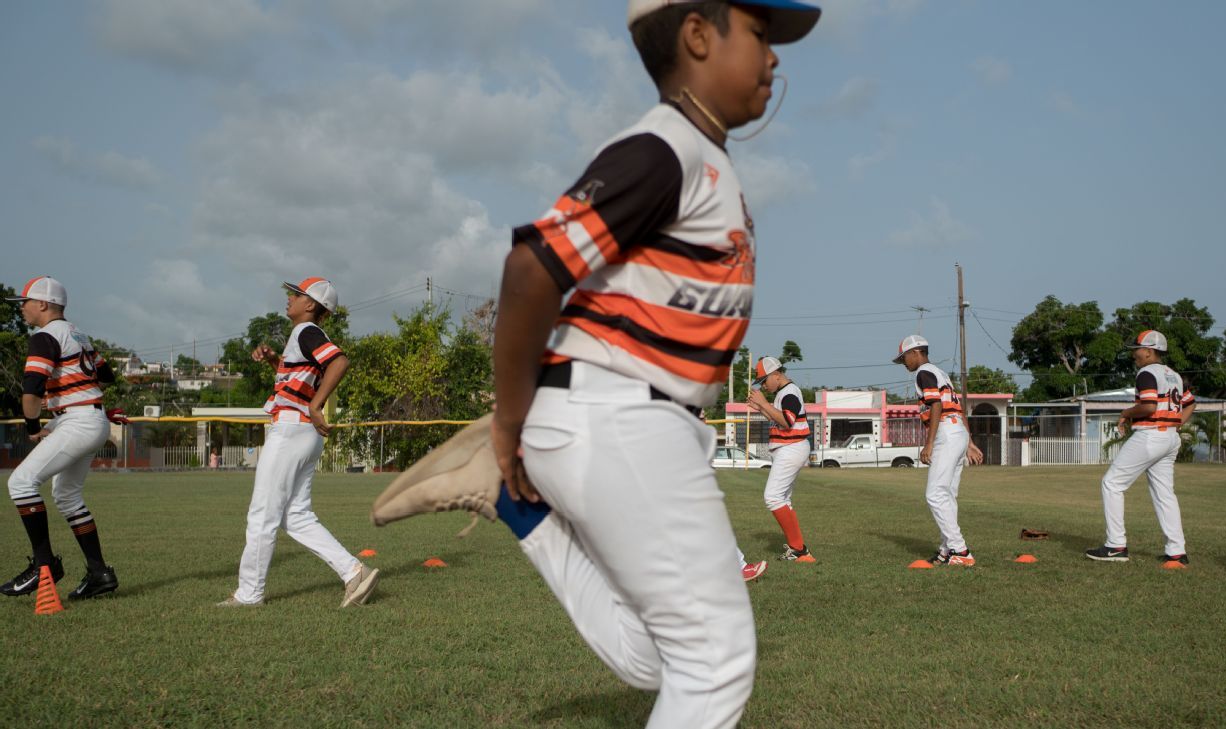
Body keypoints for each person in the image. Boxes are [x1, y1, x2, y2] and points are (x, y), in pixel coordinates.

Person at [414, 3, 820, 726]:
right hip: (618, 414)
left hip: (630, 417)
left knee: (658, 657)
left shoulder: (700, 156)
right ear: (698, 35)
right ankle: (509, 480)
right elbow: (529, 268)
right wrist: (508, 421)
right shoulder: (665, 148)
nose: (774, 56)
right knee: (716, 658)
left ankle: (518, 508)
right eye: (759, 33)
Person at [219, 277, 378, 607]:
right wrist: (273, 360)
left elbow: (339, 362)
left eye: (297, 294)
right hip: (302, 433)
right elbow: (304, 376)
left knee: (262, 514)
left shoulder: (307, 331)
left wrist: (316, 404)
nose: (289, 298)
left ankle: (249, 594)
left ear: (310, 305)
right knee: (296, 515)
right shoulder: (304, 336)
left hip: (292, 430)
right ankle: (354, 573)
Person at [3, 276, 126, 600]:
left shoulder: (44, 336)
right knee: (67, 495)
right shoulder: (78, 334)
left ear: (43, 304)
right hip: (87, 417)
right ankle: (99, 572)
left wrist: (32, 428)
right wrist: (85, 401)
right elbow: (106, 375)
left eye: (26, 302)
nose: (23, 309)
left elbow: (31, 391)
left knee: (20, 483)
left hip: (77, 421)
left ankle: (44, 566)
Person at [1086, 330, 1195, 566]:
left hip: (1150, 435)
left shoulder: (1146, 373)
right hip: (1169, 438)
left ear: (1149, 350)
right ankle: (1177, 551)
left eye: (1137, 349)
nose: (1134, 354)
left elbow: (1148, 407)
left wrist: (1125, 413)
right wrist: (1174, 424)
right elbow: (1190, 403)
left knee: (1112, 483)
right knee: (1164, 494)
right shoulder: (1174, 375)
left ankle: (1115, 546)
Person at [894, 335, 984, 567]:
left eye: (904, 357)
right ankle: (947, 550)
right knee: (947, 494)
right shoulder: (940, 373)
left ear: (916, 353)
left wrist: (930, 443)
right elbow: (958, 409)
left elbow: (936, 405)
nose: (903, 362)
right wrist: (969, 442)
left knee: (935, 494)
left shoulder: (923, 372)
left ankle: (960, 550)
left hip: (946, 432)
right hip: (957, 431)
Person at [745, 355, 815, 562]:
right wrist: (762, 408)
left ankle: (799, 549)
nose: (763, 385)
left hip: (791, 447)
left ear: (776, 374)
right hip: (790, 448)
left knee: (773, 497)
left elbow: (787, 422)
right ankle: (798, 550)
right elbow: (779, 420)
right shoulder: (784, 392)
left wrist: (764, 404)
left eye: (764, 380)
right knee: (782, 499)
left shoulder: (789, 392)